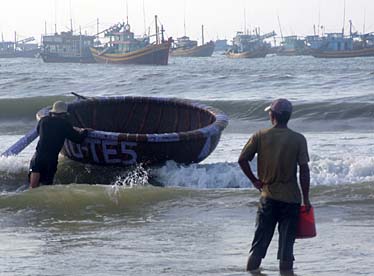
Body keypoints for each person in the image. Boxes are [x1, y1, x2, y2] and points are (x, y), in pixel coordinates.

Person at [238, 98, 311, 272]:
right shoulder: (298, 139)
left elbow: (242, 160)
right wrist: (306, 200)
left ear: (273, 115)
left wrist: (255, 181)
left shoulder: (260, 136)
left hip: (268, 199)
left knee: (258, 246)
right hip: (291, 200)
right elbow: (304, 171)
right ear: (288, 117)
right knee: (286, 251)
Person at [29, 101, 89, 189]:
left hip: (38, 156)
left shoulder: (43, 121)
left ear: (53, 112)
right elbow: (78, 139)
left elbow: (39, 131)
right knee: (46, 187)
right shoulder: (64, 125)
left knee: (33, 187)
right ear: (64, 114)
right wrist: (85, 131)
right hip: (51, 160)